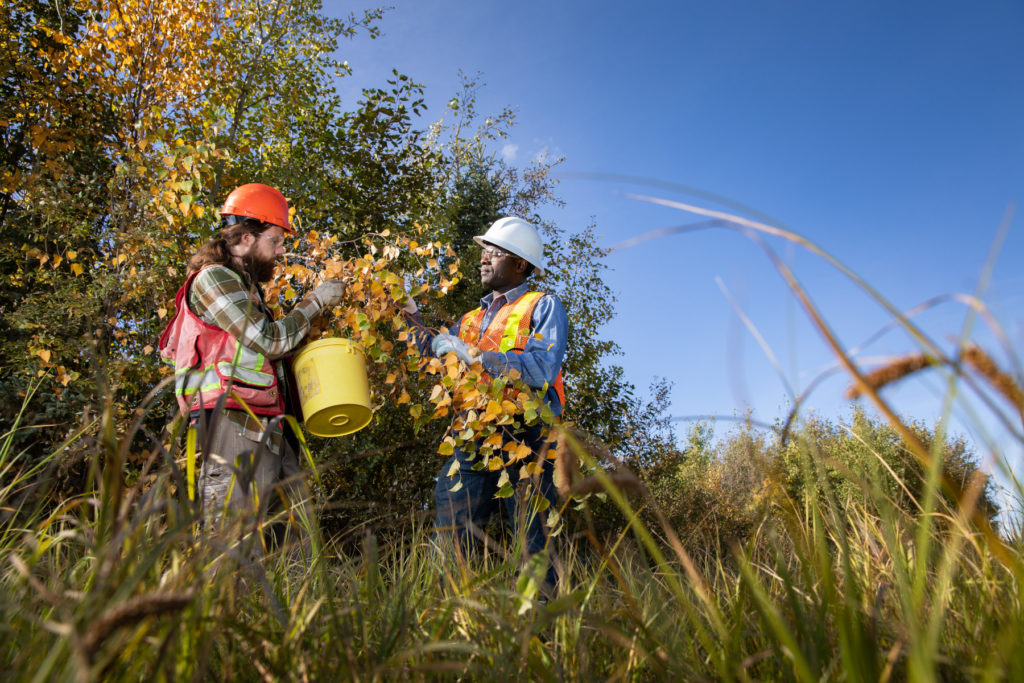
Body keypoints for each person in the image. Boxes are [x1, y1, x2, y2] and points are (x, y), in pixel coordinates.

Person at [159, 182, 345, 553]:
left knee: (297, 540)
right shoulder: (213, 279)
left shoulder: (248, 289)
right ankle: (224, 607)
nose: (280, 251)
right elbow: (270, 341)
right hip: (232, 421)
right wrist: (315, 303)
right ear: (245, 237)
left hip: (267, 422)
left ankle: (299, 608)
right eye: (275, 241)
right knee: (232, 538)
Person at [426, 216, 568, 592]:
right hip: (471, 433)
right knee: (453, 534)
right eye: (483, 251)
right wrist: (410, 316)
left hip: (527, 433)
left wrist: (476, 356)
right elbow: (438, 354)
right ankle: (449, 623)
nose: (483, 259)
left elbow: (540, 368)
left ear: (521, 264)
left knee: (533, 535)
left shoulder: (543, 306)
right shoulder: (470, 319)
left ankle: (538, 633)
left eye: (494, 252)